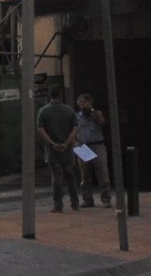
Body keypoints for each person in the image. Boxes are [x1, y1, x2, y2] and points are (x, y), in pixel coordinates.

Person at [37, 85, 80, 213]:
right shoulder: (69, 110)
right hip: (67, 150)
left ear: (50, 96)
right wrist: (66, 143)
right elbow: (75, 128)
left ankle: (58, 205)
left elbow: (41, 130)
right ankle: (75, 204)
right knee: (70, 176)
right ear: (61, 95)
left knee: (56, 178)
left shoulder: (43, 111)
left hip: (52, 151)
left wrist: (52, 144)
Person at [75, 93, 112, 208]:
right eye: (81, 102)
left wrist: (91, 110)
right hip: (83, 146)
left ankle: (106, 199)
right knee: (85, 176)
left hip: (97, 145)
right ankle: (87, 200)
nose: (83, 104)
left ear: (91, 102)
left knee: (103, 174)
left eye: (86, 102)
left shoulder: (97, 113)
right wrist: (76, 144)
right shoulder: (77, 116)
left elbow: (102, 121)